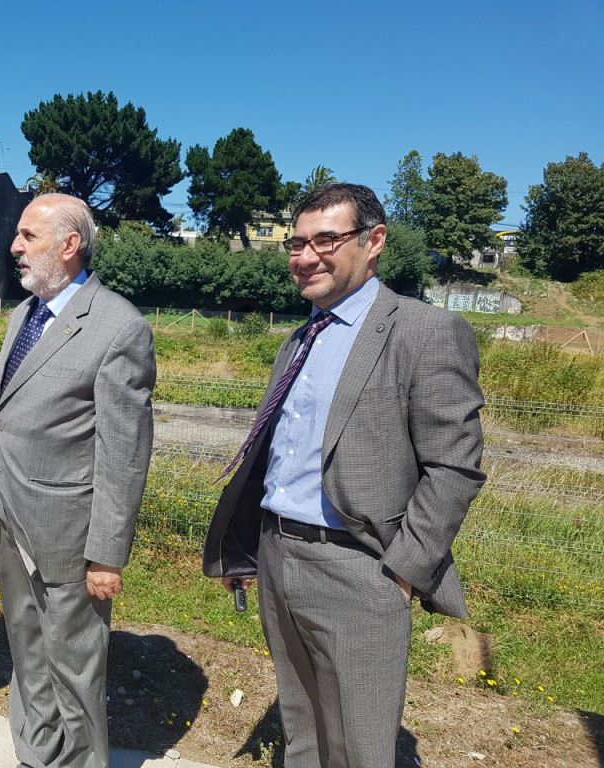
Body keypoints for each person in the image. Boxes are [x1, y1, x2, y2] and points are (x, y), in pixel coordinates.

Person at [203, 183, 485, 768]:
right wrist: (252, 545)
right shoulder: (301, 337)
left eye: (325, 240)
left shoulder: (423, 332)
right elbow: (281, 455)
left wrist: (402, 573)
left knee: (360, 746)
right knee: (302, 729)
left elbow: (454, 466)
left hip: (361, 568)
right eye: (296, 243)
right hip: (280, 556)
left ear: (374, 241)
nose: (305, 257)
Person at [0, 194, 156, 768]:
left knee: (74, 666)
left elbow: (124, 455)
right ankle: (34, 755)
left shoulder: (120, 326)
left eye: (27, 236)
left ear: (69, 245)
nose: (15, 247)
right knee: (26, 652)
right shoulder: (25, 314)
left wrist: (107, 554)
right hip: (8, 519)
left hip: (70, 537)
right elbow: (3, 421)